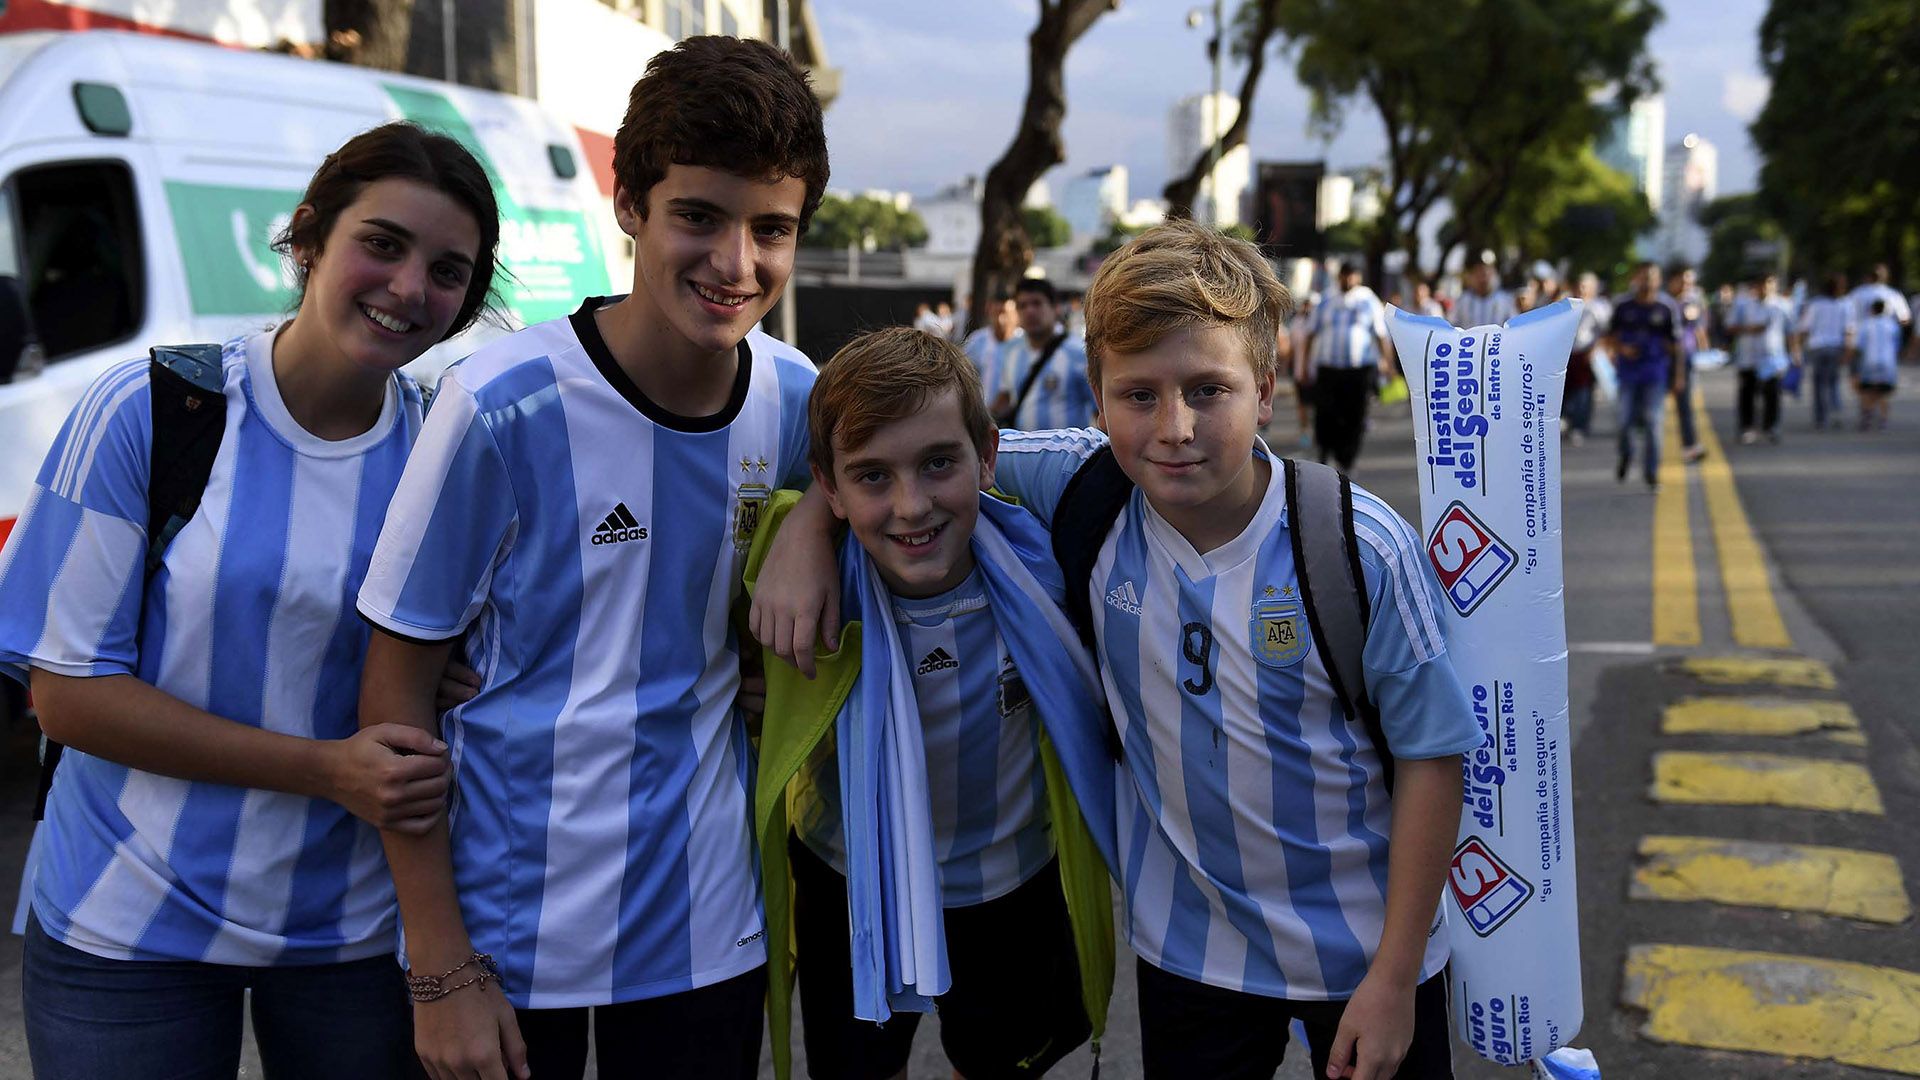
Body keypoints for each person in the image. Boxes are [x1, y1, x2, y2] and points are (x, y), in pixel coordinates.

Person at [354, 37, 827, 1080]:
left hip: (712, 934)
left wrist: (821, 515)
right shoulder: (502, 402)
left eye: (772, 228)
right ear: (630, 207)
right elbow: (393, 698)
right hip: (505, 949)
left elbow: (921, 469)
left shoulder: (800, 400)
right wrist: (439, 967)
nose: (736, 263)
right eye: (698, 217)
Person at [0, 121, 501, 1080]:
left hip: (353, 940)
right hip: (127, 928)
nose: (409, 289)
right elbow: (66, 695)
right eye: (382, 244)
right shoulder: (148, 409)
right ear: (309, 238)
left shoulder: (447, 447)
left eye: (447, 271)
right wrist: (327, 769)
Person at [990, 221, 1475, 1080]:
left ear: (1267, 385)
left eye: (1207, 390)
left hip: (1364, 956)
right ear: (1096, 399)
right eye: (1137, 395)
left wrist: (1398, 974)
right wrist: (809, 523)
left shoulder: (1359, 548)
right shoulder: (1082, 492)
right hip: (1192, 956)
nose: (1173, 427)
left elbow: (1433, 758)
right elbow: (913, 445)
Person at [748, 327, 1119, 1080]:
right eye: (873, 477)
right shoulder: (796, 580)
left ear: (987, 454)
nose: (912, 506)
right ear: (830, 484)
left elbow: (1129, 462)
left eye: (939, 463)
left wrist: (814, 518)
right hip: (848, 884)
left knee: (1010, 1056)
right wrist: (803, 527)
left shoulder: (1051, 552)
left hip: (1010, 885)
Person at [1302, 260, 1393, 472]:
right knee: (1326, 412)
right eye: (1345, 275)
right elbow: (1310, 334)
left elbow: (1381, 335)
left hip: (1359, 369)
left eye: (1352, 275)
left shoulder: (1368, 300)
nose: (1349, 279)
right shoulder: (1326, 299)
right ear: (1339, 276)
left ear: (1358, 277)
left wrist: (1388, 364)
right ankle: (1325, 451)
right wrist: (1305, 364)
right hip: (1330, 368)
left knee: (1355, 414)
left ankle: (1347, 459)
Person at [1605, 261, 1683, 489]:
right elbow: (1610, 337)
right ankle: (1626, 454)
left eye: (1652, 277)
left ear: (1659, 280)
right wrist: (1622, 349)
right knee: (1623, 420)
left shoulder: (1666, 307)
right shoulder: (1623, 306)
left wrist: (1678, 375)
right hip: (1628, 374)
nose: (1647, 282)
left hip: (1654, 373)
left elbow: (1676, 345)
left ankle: (1651, 472)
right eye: (1643, 277)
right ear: (1636, 279)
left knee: (1652, 422)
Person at [991, 277, 1094, 430]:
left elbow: (1100, 408)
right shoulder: (1011, 351)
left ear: (1055, 308)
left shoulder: (1078, 352)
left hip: (1070, 453)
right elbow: (1005, 397)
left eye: (1037, 303)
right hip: (1023, 451)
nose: (1030, 311)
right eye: (1022, 306)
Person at [1731, 272, 1796, 444]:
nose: (1766, 288)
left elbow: (1791, 331)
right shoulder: (1744, 305)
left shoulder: (1783, 305)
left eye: (1770, 283)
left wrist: (1796, 352)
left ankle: (1771, 426)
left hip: (1772, 359)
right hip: (1748, 357)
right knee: (1747, 393)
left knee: (1772, 393)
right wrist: (1749, 329)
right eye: (1762, 284)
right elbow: (1731, 326)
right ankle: (1747, 427)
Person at [1797, 273, 1855, 429]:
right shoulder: (1846, 304)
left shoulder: (1815, 304)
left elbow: (1804, 328)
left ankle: (1821, 418)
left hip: (1817, 347)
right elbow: (1848, 330)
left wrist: (1798, 348)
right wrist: (1849, 350)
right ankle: (1836, 412)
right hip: (1836, 347)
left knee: (1819, 384)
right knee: (1833, 382)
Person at [1665, 264, 1709, 463]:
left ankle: (1690, 445)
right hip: (1663, 357)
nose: (1685, 285)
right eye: (1682, 281)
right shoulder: (1663, 303)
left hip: (1685, 357)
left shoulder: (1691, 302)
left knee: (1684, 403)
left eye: (1689, 282)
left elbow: (1697, 325)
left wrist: (1704, 345)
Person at [1562, 271, 1605, 445]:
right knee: (1566, 389)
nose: (1581, 290)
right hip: (1568, 353)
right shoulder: (1568, 305)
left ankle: (1580, 426)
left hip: (1585, 353)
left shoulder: (1597, 308)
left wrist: (1594, 349)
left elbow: (1602, 332)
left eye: (1585, 287)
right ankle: (1566, 420)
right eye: (1579, 286)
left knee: (1583, 392)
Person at [961, 292, 1017, 404]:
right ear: (989, 311)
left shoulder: (1024, 343)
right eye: (996, 313)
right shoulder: (977, 341)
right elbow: (963, 375)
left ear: (1016, 314)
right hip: (983, 414)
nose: (1001, 319)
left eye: (1005, 313)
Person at [1856, 298, 1900, 430]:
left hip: (1869, 361)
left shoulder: (1866, 324)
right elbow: (1897, 345)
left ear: (1872, 309)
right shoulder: (1892, 325)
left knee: (1866, 390)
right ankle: (1883, 420)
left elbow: (1860, 345)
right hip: (1887, 362)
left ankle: (1867, 417)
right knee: (1883, 392)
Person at [1451, 255, 1516, 328]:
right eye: (1478, 272)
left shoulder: (1505, 300)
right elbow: (1453, 326)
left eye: (1486, 272)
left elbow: (1513, 327)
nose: (1483, 278)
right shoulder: (1463, 300)